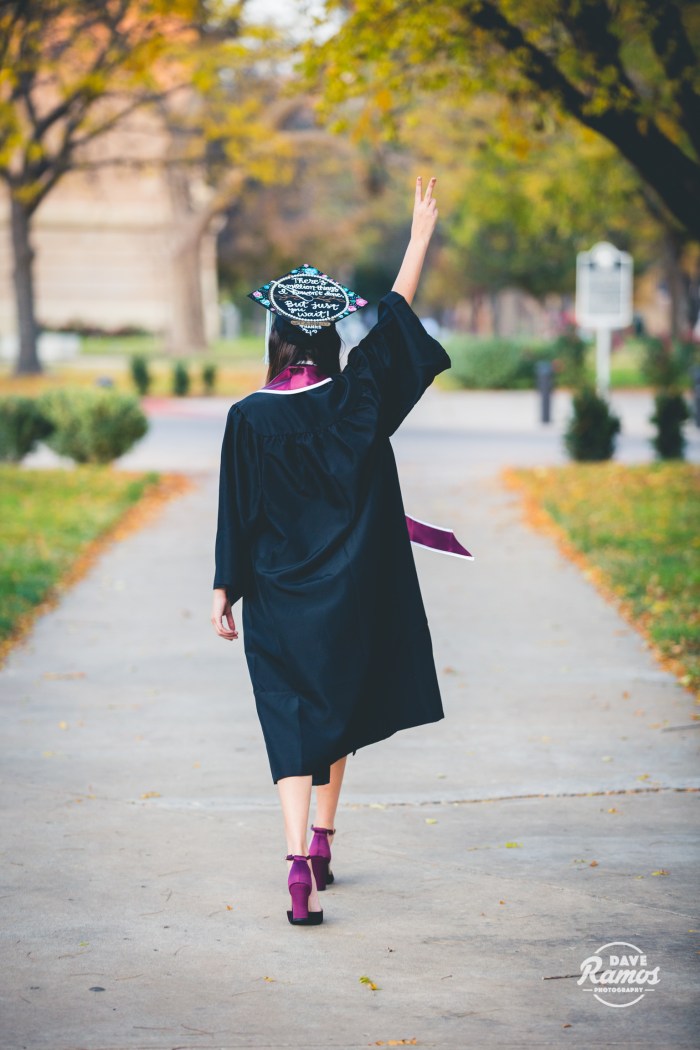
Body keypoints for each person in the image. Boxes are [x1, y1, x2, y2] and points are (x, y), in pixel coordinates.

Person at [212, 176, 450, 926]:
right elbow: (396, 324)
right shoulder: (359, 400)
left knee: (291, 718)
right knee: (338, 710)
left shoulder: (248, 418)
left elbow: (235, 512)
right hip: (348, 594)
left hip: (280, 596)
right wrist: (417, 240)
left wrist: (225, 588)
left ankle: (294, 866)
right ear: (329, 338)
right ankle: (323, 839)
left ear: (277, 340)